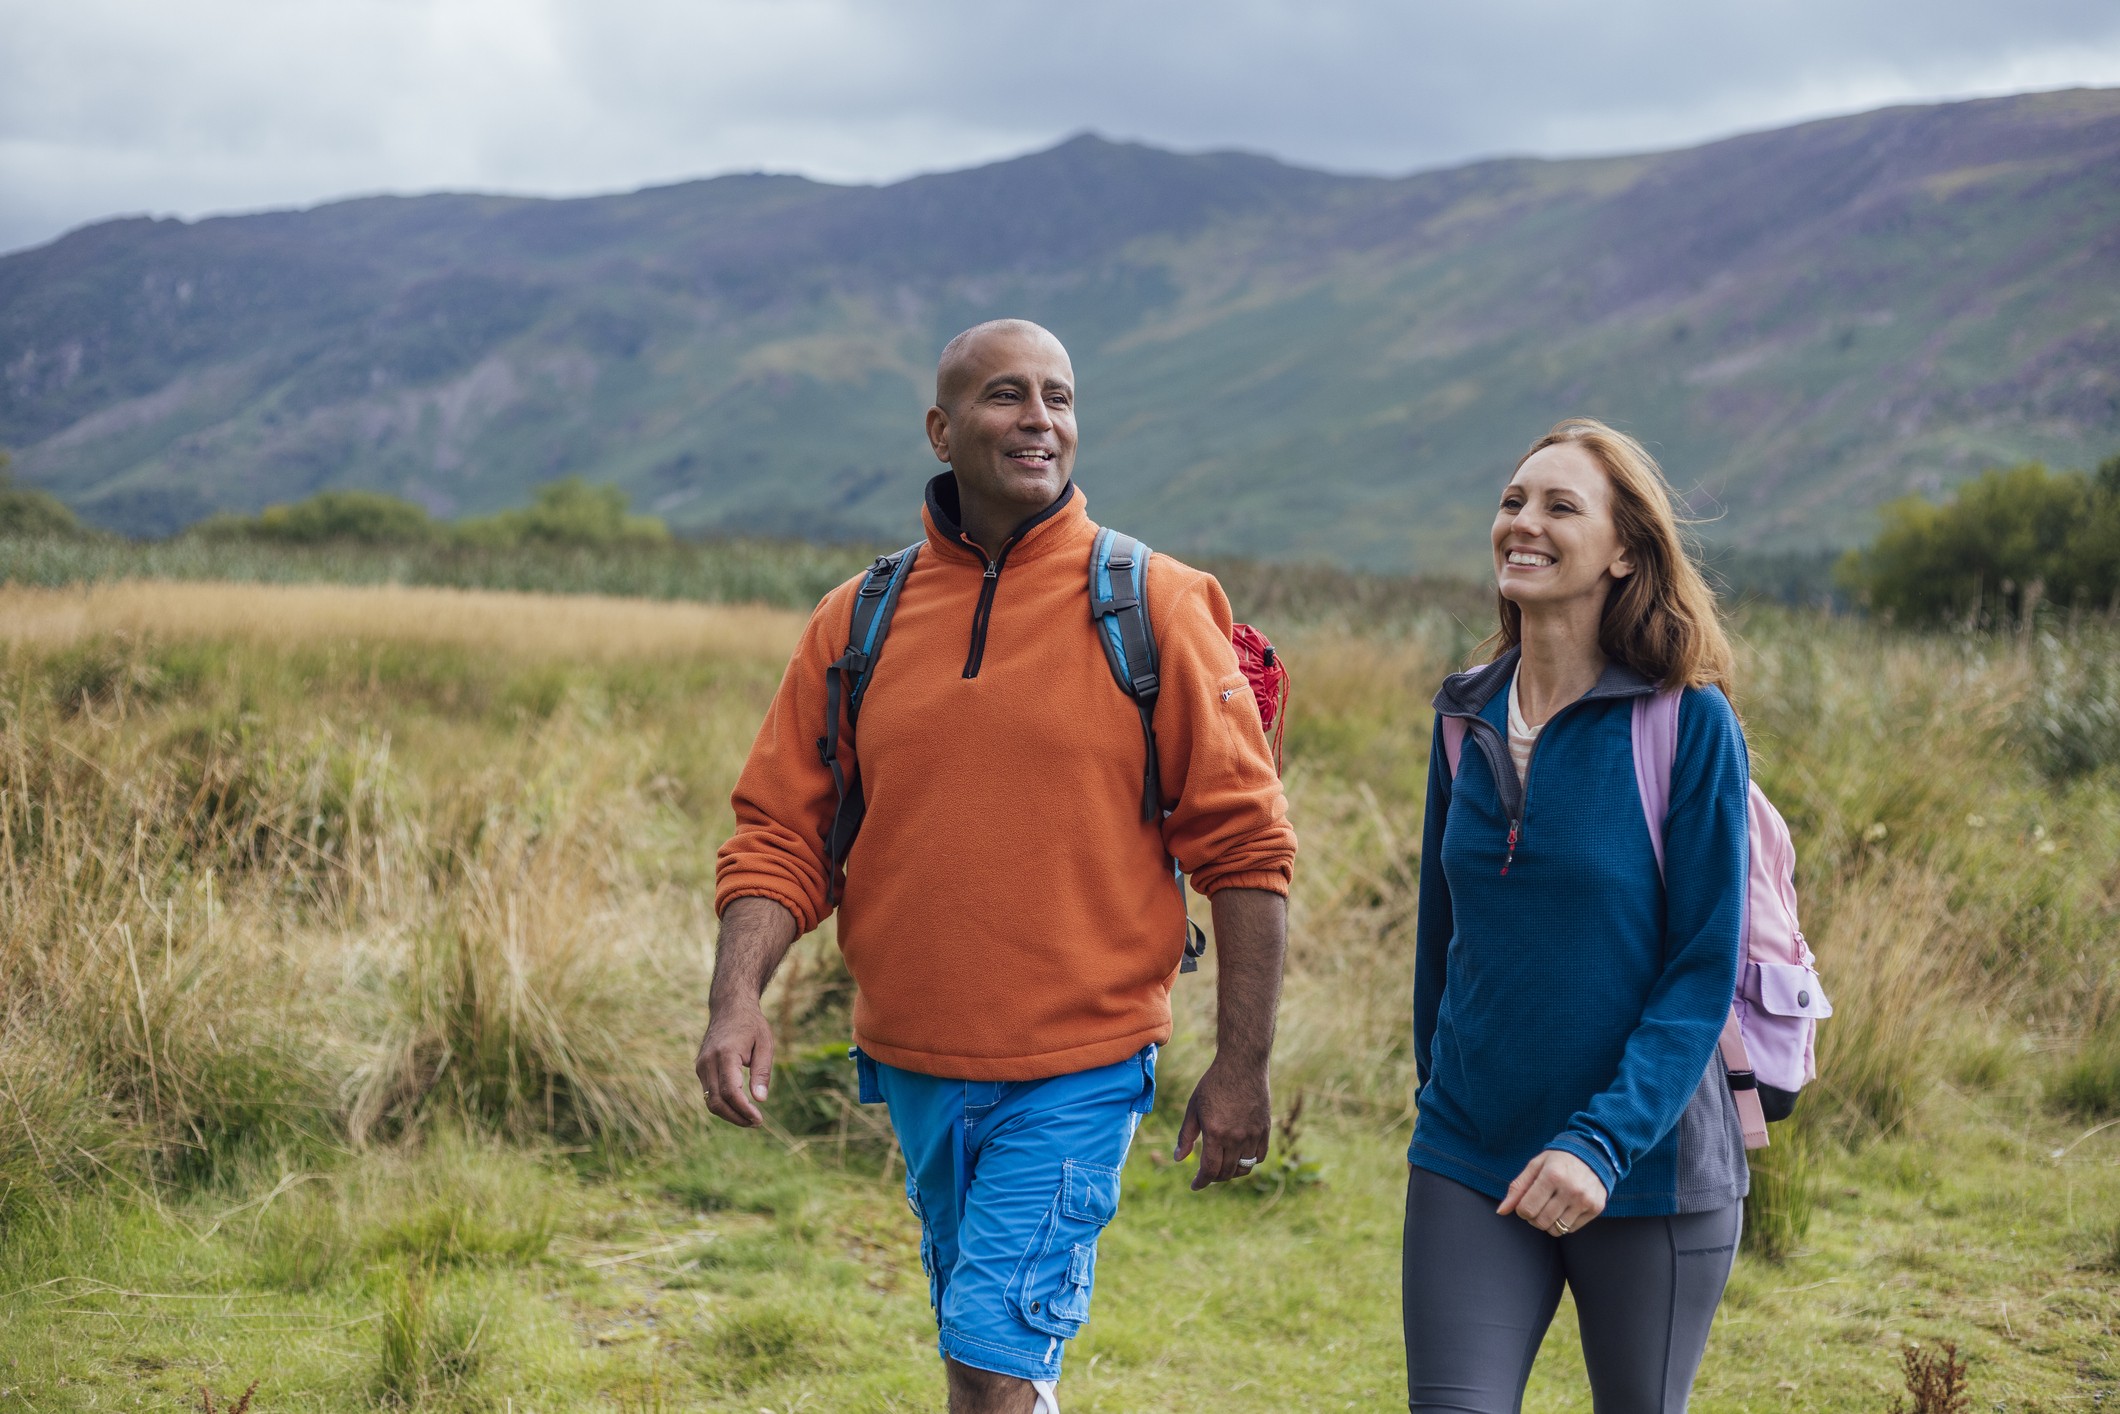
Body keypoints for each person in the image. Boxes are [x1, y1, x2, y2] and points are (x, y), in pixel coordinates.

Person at [698, 319, 1297, 1414]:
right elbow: (782, 831)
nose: (1039, 420)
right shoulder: (858, 618)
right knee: (990, 1352)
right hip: (915, 1063)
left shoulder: (1154, 602)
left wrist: (1239, 1066)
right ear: (940, 427)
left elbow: (1245, 848)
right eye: (1005, 395)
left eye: (1058, 398)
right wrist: (736, 997)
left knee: (985, 1363)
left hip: (1080, 1061)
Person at [1404, 418, 1751, 1412]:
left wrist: (1596, 1144)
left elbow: (1698, 970)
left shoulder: (1687, 722)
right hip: (1472, 1156)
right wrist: (1447, 1093)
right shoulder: (1461, 716)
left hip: (1648, 1174)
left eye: (1560, 506)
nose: (1524, 522)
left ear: (1623, 550)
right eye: (1514, 500)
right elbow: (1441, 937)